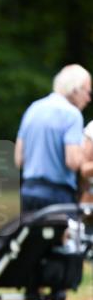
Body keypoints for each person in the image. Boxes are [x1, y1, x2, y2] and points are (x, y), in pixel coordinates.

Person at [15, 64, 91, 213]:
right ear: (76, 89)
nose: (88, 99)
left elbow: (19, 160)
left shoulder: (33, 109)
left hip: (27, 192)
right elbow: (73, 162)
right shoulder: (72, 114)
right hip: (57, 197)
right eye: (88, 92)